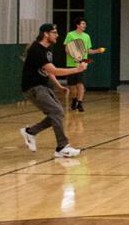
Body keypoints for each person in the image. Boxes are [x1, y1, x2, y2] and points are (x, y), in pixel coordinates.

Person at [21, 23, 87, 158]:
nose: (57, 35)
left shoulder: (48, 50)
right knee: (56, 112)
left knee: (58, 113)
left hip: (43, 86)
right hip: (33, 88)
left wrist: (58, 86)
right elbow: (54, 70)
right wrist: (77, 69)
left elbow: (48, 71)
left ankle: (31, 131)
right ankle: (62, 147)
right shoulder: (36, 49)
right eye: (54, 32)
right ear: (46, 34)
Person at [63, 18, 94, 112]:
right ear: (77, 25)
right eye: (83, 23)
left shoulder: (87, 36)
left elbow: (88, 50)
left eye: (85, 24)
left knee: (80, 84)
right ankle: (74, 99)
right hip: (71, 64)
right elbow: (67, 50)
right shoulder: (70, 35)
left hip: (82, 64)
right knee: (72, 85)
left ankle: (80, 103)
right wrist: (75, 56)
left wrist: (97, 51)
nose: (85, 25)